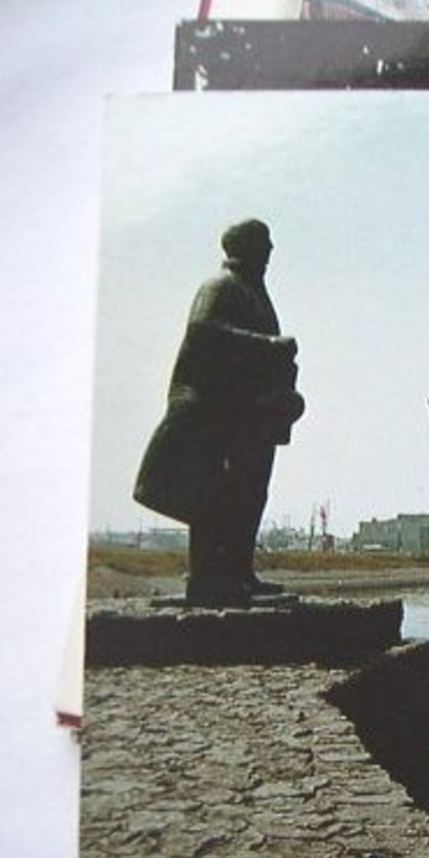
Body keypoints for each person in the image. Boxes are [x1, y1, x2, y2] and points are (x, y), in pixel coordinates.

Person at [134, 219, 304, 606]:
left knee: (249, 492)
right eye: (265, 243)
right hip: (213, 411)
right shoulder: (221, 286)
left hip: (248, 415)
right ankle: (209, 581)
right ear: (247, 248)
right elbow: (203, 332)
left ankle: (239, 573)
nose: (271, 250)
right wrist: (271, 345)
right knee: (212, 493)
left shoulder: (254, 292)